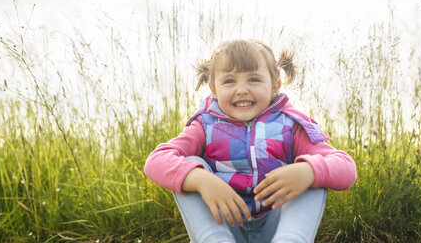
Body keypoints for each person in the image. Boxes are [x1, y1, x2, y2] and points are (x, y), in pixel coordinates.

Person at [144, 39, 357, 243]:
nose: (242, 89)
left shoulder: (291, 127)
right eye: (229, 81)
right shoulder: (204, 126)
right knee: (188, 165)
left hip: (275, 227)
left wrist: (308, 172)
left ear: (275, 85)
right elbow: (156, 161)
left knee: (313, 169)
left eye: (254, 79)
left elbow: (346, 167)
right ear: (214, 89)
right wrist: (201, 180)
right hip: (224, 225)